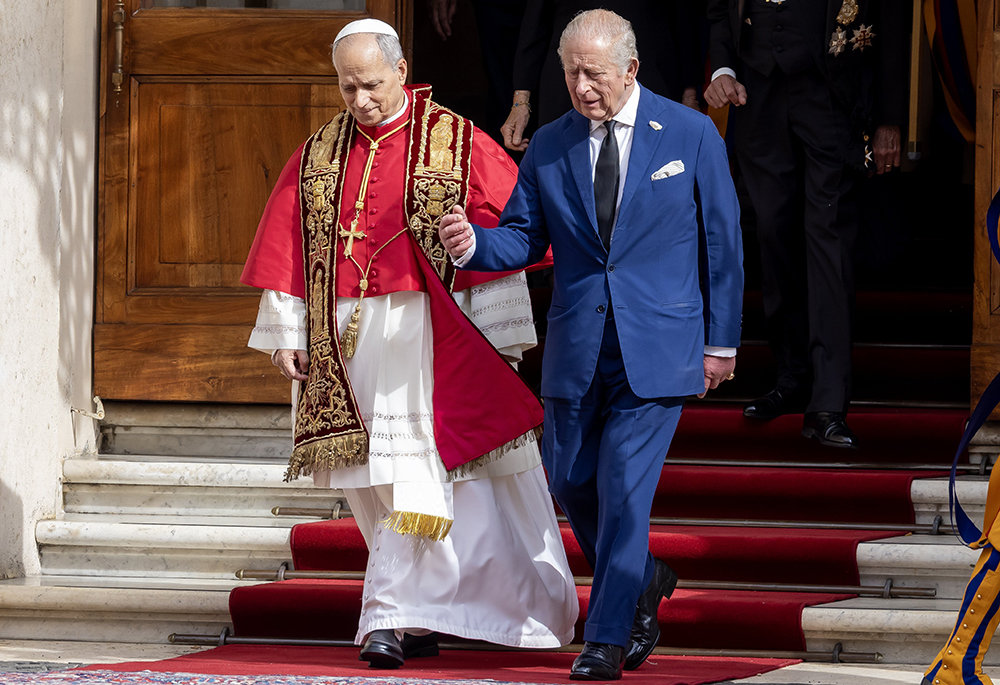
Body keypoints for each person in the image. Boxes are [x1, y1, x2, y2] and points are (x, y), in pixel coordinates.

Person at [241, 18, 578, 669]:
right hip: (344, 337)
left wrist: (501, 332)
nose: (360, 100)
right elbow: (291, 239)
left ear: (400, 72)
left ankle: (387, 616)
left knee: (414, 473)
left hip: (427, 334)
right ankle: (421, 613)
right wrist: (287, 330)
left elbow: (501, 232)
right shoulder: (319, 153)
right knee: (372, 483)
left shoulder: (455, 141)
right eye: (347, 87)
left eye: (370, 84)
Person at [440, 10, 743, 679]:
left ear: (630, 70)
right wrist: (475, 245)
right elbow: (523, 235)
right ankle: (641, 574)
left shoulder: (690, 135)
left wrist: (721, 342)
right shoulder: (550, 144)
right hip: (579, 345)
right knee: (571, 478)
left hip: (660, 346)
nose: (581, 87)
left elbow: (723, 245)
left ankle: (606, 637)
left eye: (594, 74)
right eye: (571, 72)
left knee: (626, 491)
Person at [705, 0, 907, 448]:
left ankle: (828, 403)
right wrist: (722, 69)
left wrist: (891, 116)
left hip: (831, 93)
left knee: (828, 239)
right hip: (758, 96)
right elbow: (720, 9)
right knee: (775, 235)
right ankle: (793, 376)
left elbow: (892, 19)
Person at [501, 0, 704, 152]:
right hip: (567, 85)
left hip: (648, 74)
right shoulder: (577, 83)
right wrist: (520, 102)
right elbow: (535, 25)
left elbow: (685, 20)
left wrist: (689, 96)